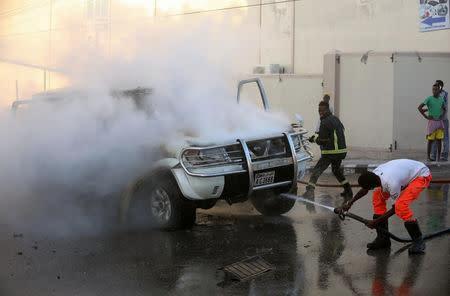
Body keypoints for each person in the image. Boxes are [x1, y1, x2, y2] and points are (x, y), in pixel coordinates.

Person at [339, 159, 431, 254]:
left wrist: (375, 222)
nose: (367, 190)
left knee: (401, 205)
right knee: (377, 197)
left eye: (368, 188)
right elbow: (364, 190)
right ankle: (383, 240)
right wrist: (350, 203)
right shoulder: (375, 174)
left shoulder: (392, 183)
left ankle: (418, 241)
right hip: (404, 175)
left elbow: (395, 209)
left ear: (372, 186)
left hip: (420, 175)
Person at [303, 101, 353, 199]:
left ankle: (309, 193)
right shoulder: (335, 119)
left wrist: (314, 139)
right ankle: (348, 190)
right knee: (336, 170)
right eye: (319, 110)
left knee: (316, 171)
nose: (320, 112)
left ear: (327, 110)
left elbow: (323, 140)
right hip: (340, 152)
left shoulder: (325, 122)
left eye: (322, 110)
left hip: (331, 152)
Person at [418, 82, 446, 161]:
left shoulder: (441, 100)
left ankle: (438, 157)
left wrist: (442, 115)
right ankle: (428, 157)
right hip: (432, 122)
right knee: (430, 140)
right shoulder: (429, 99)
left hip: (439, 122)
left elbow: (444, 108)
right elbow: (419, 107)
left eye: (436, 90)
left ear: (439, 91)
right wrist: (425, 116)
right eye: (433, 90)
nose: (434, 91)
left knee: (439, 140)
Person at [430, 80, 448, 161]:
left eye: (437, 85)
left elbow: (440, 105)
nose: (435, 87)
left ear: (440, 86)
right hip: (436, 119)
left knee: (444, 138)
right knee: (435, 138)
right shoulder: (438, 94)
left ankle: (444, 156)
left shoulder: (443, 94)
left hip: (442, 120)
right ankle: (433, 155)